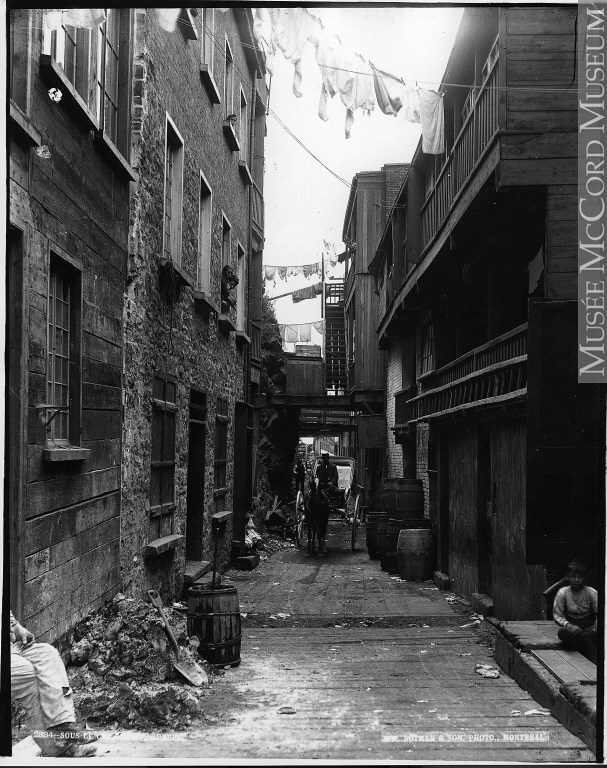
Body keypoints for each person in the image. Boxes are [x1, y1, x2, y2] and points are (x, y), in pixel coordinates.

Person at [10, 610, 98, 757]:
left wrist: (15, 627)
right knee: (30, 675)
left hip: (10, 648)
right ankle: (59, 751)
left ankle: (64, 726)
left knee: (48, 654)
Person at [552, 561, 598, 664]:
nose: (576, 580)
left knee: (586, 636)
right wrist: (569, 625)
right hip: (572, 626)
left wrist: (594, 627)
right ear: (567, 577)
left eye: (580, 577)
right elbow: (557, 615)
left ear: (584, 578)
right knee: (562, 633)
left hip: (588, 626)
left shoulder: (590, 592)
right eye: (573, 577)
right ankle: (579, 649)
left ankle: (595, 663)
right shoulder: (563, 592)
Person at [315, 453, 338, 554]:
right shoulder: (319, 467)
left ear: (328, 458)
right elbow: (317, 476)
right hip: (322, 486)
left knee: (331, 493)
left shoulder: (333, 467)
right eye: (323, 458)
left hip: (330, 487)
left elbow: (335, 476)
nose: (325, 459)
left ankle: (329, 504)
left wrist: (331, 482)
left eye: (326, 458)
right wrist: (320, 482)